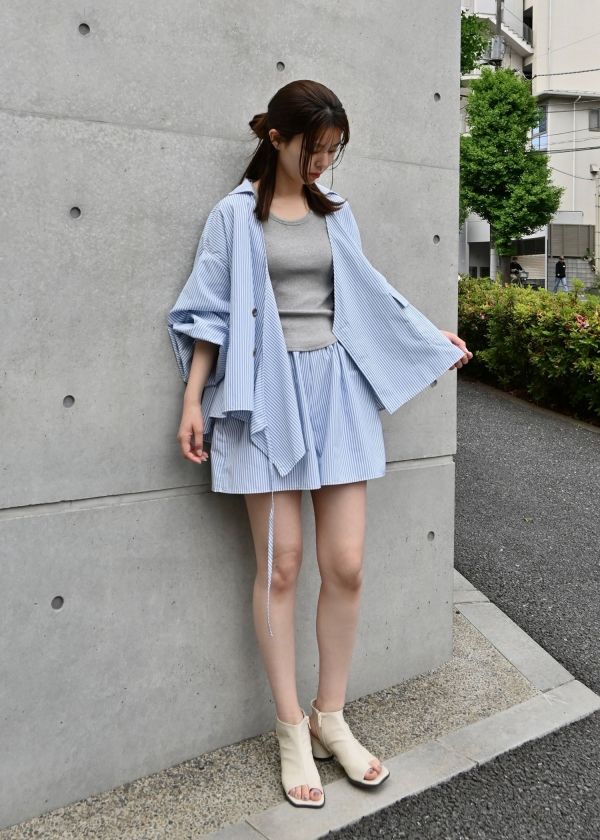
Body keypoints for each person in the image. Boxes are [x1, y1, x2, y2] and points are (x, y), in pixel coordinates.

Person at [167, 80, 472, 810]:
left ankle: (331, 717)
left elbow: (368, 293)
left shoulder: (337, 212)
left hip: (337, 391)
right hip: (266, 392)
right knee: (282, 566)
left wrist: (426, 336)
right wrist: (192, 400)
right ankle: (291, 730)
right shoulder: (233, 216)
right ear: (275, 138)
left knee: (347, 565)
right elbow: (209, 313)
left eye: (334, 150)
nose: (323, 162)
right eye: (314, 148)